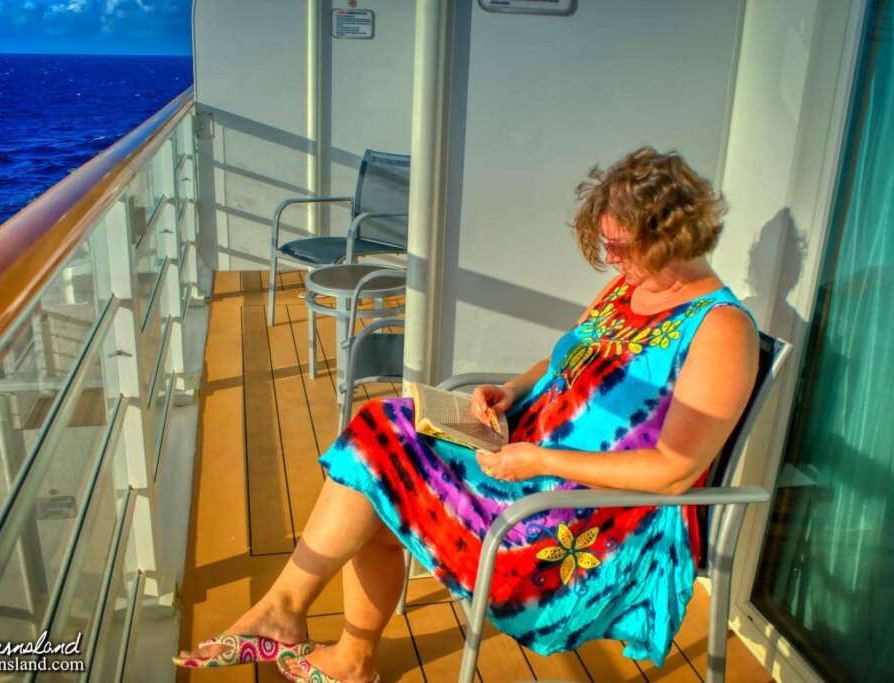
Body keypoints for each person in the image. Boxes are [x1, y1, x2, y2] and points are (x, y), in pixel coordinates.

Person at [174, 146, 758, 683]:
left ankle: (310, 631)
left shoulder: (721, 329)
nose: (610, 259)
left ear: (674, 233)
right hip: (524, 461)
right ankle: (318, 636)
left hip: (578, 529)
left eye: (620, 246)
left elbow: (675, 469)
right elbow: (566, 363)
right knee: (378, 441)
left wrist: (536, 458)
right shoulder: (630, 289)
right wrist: (507, 390)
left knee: (376, 464)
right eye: (607, 243)